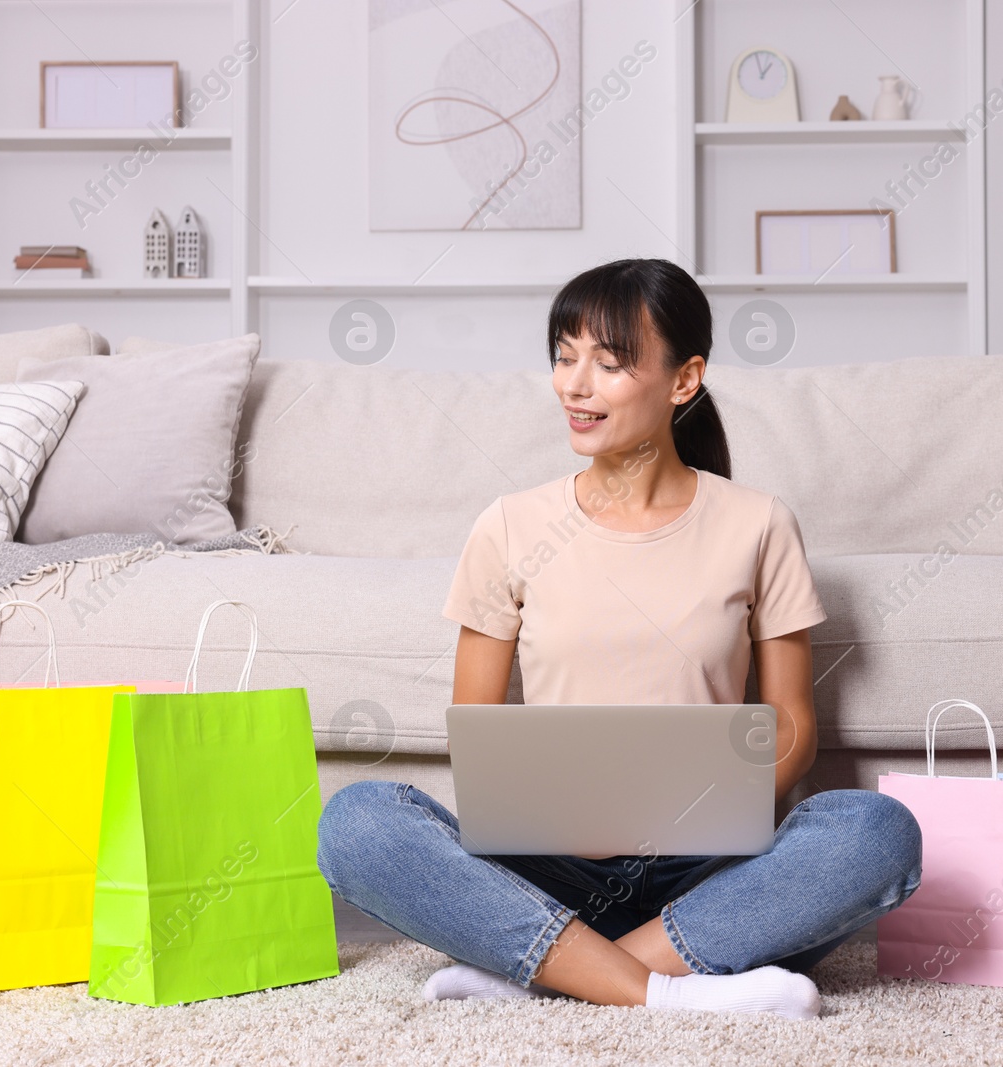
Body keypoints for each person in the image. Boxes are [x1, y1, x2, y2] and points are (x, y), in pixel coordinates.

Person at [317, 259, 921, 1020]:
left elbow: (795, 725)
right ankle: (676, 991)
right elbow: (476, 727)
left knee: (876, 831)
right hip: (547, 869)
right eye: (564, 357)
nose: (574, 384)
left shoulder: (758, 523)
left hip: (706, 873)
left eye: (608, 363)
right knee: (356, 823)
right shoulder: (510, 526)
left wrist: (702, 805)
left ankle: (549, 972)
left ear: (683, 379)